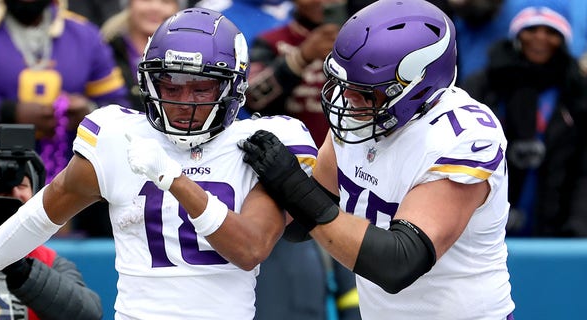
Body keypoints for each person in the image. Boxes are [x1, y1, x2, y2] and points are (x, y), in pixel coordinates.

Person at [0, 8, 318, 319]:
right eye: (170, 87)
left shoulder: (263, 144)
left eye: (201, 88)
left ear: (232, 88)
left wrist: (173, 179)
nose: (182, 102)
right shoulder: (117, 135)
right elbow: (36, 218)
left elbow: (250, 249)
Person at [239, 0, 515, 318]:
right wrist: (269, 175)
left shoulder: (464, 134)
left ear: (416, 85)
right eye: (345, 84)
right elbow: (301, 225)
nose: (348, 99)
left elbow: (398, 264)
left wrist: (291, 185)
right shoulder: (359, 114)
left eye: (364, 89)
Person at [0, 0, 128, 183]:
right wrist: (8, 112)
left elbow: (120, 109)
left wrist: (89, 113)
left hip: (69, 187)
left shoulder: (85, 35)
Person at [0, 132, 102, 320]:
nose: (13, 193)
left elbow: (88, 314)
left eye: (21, 184)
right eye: (0, 186)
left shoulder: (49, 261)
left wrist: (18, 266)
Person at [462, 5, 587, 236]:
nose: (540, 38)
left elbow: (583, 168)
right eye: (531, 29)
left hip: (554, 219)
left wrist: (578, 228)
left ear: (563, 40)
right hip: (485, 216)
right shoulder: (484, 85)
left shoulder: (576, 91)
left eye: (551, 32)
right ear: (517, 35)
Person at [243, 0, 340, 145]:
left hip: (342, 153)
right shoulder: (271, 41)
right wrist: (300, 58)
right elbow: (251, 98)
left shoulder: (359, 42)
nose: (322, 2)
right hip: (285, 154)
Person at [101, 0, 184, 112]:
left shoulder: (191, 55)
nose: (155, 7)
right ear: (129, 4)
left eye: (166, 2)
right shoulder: (105, 48)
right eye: (146, 0)